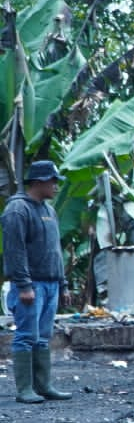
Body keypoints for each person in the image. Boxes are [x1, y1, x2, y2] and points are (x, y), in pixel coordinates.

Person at [4, 160, 70, 403]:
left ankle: (43, 385)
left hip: (51, 283)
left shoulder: (49, 211)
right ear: (39, 181)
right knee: (25, 335)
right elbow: (15, 251)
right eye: (52, 181)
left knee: (43, 336)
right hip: (32, 285)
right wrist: (23, 285)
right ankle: (25, 389)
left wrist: (62, 284)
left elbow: (56, 250)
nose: (55, 186)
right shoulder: (17, 210)